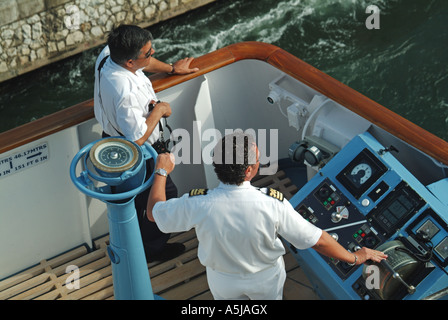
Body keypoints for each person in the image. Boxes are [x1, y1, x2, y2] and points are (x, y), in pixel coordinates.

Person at [146, 132, 388, 300]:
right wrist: (354, 258)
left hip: (222, 281)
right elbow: (318, 240)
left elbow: (154, 213)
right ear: (250, 170)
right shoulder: (273, 204)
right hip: (265, 280)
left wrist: (161, 170)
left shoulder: (197, 202)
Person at [93, 24, 199, 262]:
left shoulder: (110, 54)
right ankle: (153, 249)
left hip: (111, 141)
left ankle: (139, 240)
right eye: (149, 52)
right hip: (135, 154)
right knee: (165, 197)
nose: (153, 54)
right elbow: (137, 138)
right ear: (130, 62)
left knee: (139, 200)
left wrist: (172, 68)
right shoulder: (124, 93)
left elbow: (145, 62)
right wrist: (159, 110)